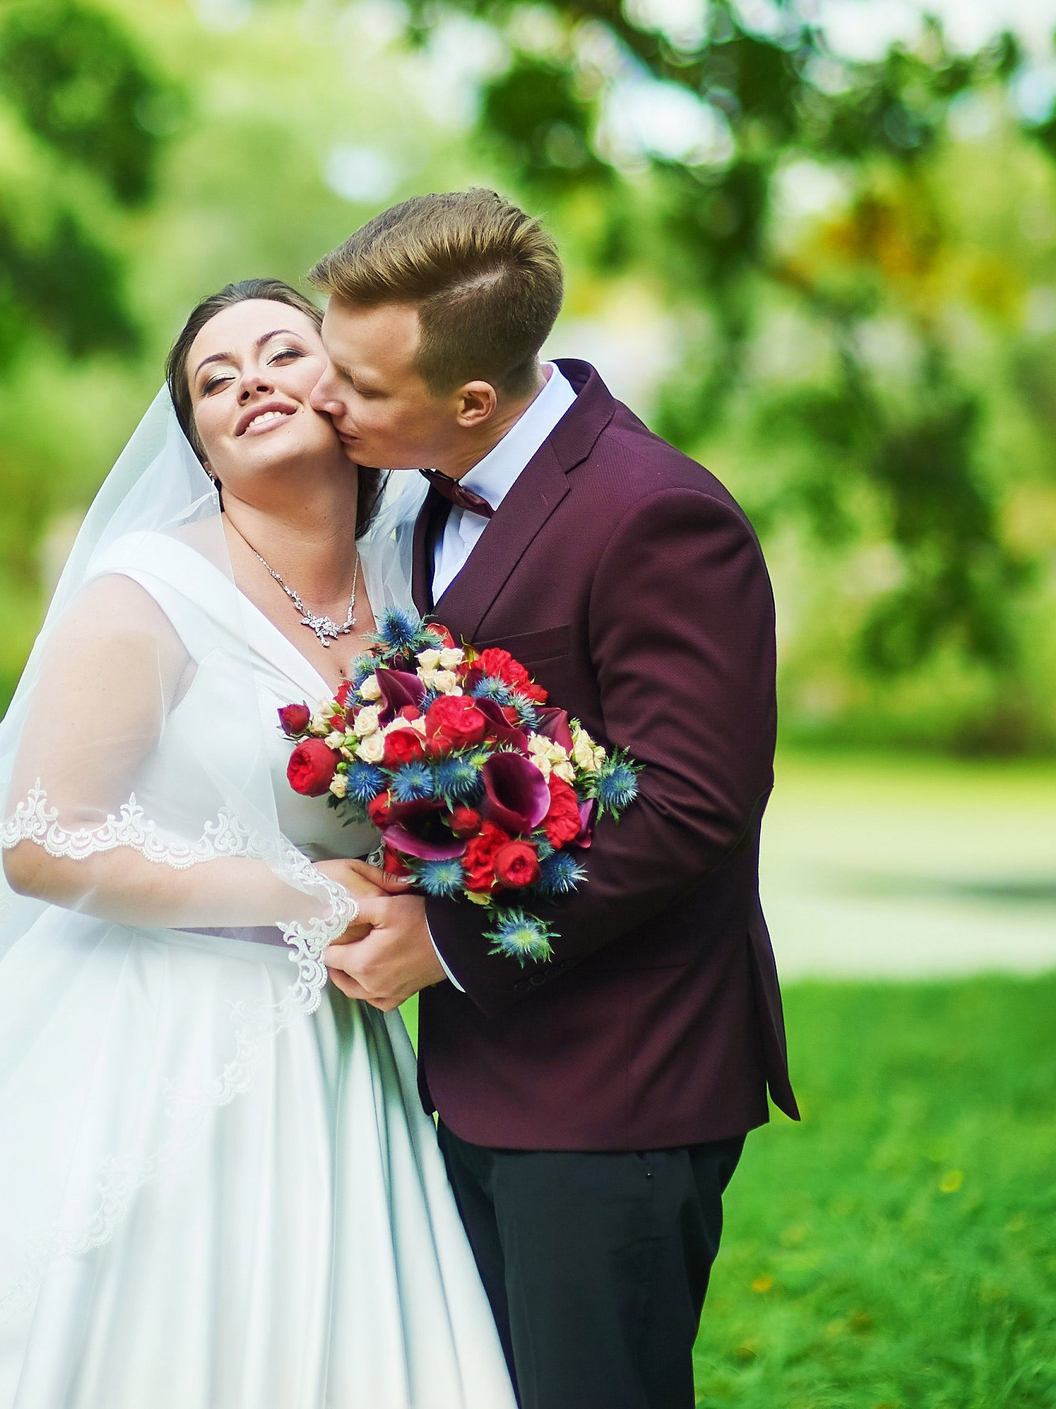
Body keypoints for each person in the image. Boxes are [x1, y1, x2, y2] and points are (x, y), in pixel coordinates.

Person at [0, 279, 515, 1409]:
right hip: (149, 1038)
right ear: (198, 445)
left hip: (334, 1048)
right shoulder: (147, 591)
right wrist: (301, 895)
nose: (250, 386)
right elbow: (40, 845)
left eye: (281, 353)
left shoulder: (414, 595)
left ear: (343, 391)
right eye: (213, 383)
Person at [308, 189, 799, 1409]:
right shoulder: (419, 493)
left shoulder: (657, 514)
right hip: (483, 1072)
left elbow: (690, 804)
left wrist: (448, 938)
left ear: (473, 399)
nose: (330, 403)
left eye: (362, 389)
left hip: (619, 1083)